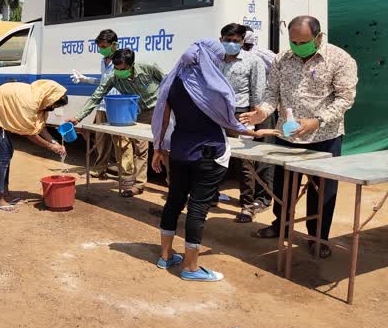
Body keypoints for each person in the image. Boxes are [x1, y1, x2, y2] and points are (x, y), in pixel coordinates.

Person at [151, 39, 278, 281]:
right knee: (198, 209)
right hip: (208, 154)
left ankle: (165, 256)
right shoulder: (213, 87)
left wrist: (158, 148)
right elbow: (230, 123)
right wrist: (256, 131)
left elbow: (162, 118)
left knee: (174, 202)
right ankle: (190, 268)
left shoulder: (173, 82)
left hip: (178, 152)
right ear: (209, 60)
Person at [241, 15, 358, 258]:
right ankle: (280, 227)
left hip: (324, 137)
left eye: (302, 42)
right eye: (293, 41)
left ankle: (318, 238)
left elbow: (345, 98)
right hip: (287, 137)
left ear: (319, 38)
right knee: (283, 189)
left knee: (322, 193)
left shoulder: (340, 59)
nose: (296, 47)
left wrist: (318, 120)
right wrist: (261, 112)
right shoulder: (283, 58)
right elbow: (272, 92)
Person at [68, 48, 164, 196]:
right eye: (116, 69)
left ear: (131, 65)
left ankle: (174, 185)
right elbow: (97, 96)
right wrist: (78, 117)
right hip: (138, 113)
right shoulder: (113, 77)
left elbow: (166, 83)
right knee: (140, 149)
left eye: (122, 69)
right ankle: (138, 185)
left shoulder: (148, 68)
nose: (119, 72)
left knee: (167, 148)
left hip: (159, 111)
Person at [0, 80, 68, 211]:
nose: (53, 108)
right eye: (55, 105)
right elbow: (29, 134)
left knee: (7, 152)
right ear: (50, 97)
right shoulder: (30, 104)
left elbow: (38, 127)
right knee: (4, 154)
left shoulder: (40, 99)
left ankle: (5, 193)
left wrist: (55, 142)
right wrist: (49, 146)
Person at [218, 23, 271, 223]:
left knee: (244, 162)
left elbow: (257, 94)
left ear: (242, 41)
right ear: (220, 39)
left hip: (241, 115)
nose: (231, 44)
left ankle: (247, 206)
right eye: (227, 40)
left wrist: (254, 117)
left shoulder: (253, 61)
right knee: (212, 157)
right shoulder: (215, 60)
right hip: (216, 114)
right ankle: (210, 197)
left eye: (235, 41)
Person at [70, 29, 119, 179]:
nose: (102, 50)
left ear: (114, 45)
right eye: (100, 47)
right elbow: (103, 83)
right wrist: (85, 79)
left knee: (119, 142)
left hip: (117, 106)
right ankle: (100, 169)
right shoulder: (103, 62)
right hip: (102, 104)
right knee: (100, 140)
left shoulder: (120, 61)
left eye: (104, 46)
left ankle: (125, 173)